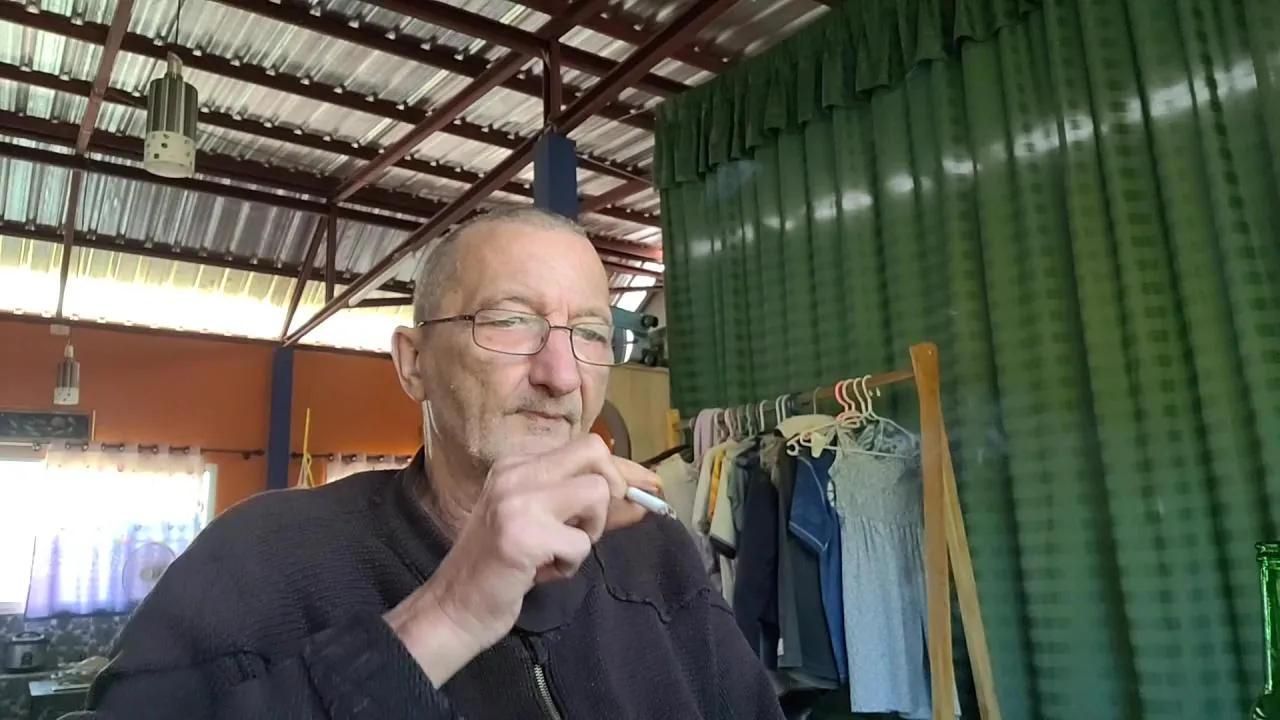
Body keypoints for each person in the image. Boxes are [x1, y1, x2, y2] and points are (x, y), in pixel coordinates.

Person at [72, 207, 785, 719]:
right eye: (510, 321)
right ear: (413, 364)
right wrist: (446, 614)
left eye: (592, 334)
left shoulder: (655, 554)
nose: (562, 375)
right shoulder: (256, 560)